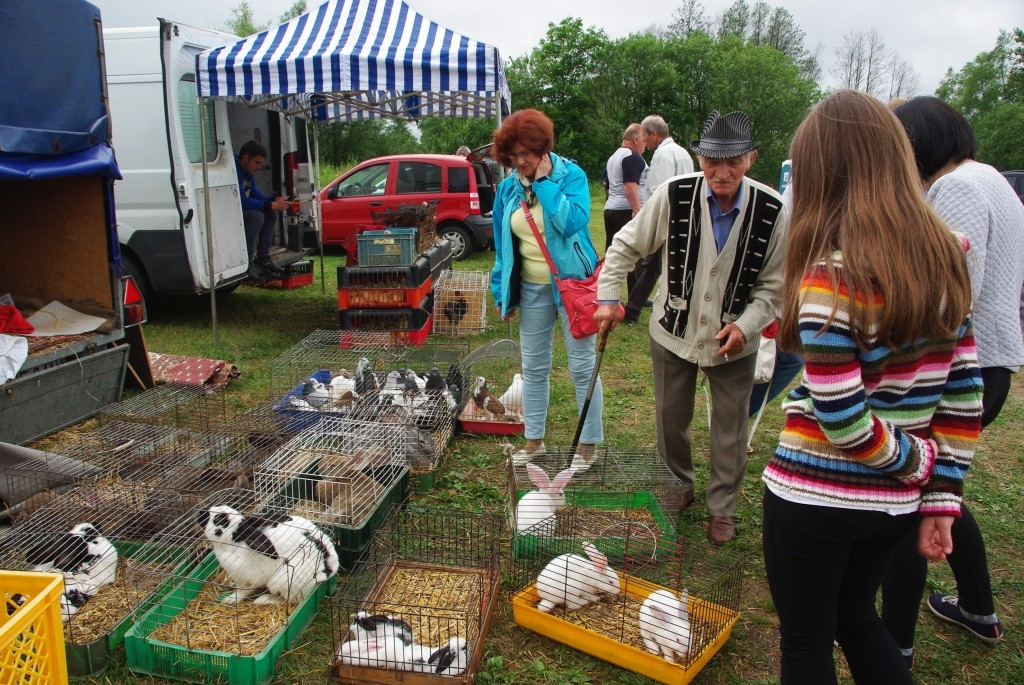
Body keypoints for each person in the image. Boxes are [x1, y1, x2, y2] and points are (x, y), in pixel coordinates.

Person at [760, 89, 982, 685]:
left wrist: (916, 465)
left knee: (806, 639)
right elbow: (965, 393)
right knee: (858, 618)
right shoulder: (946, 260)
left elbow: (841, 416)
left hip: (815, 495)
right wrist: (940, 494)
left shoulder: (831, 278)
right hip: (889, 510)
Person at [594, 110, 787, 545]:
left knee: (731, 428)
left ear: (751, 159)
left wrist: (747, 325)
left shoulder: (773, 209)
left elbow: (774, 288)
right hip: (672, 330)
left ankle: (722, 507)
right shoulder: (673, 195)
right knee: (669, 418)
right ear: (700, 158)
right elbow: (625, 244)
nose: (721, 172)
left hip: (734, 342)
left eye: (732, 161)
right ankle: (678, 486)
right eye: (712, 161)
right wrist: (608, 297)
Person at [880, 96, 1021, 665]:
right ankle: (978, 609)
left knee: (911, 499)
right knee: (942, 487)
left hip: (962, 368)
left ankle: (895, 647)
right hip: (988, 361)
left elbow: (948, 291)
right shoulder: (990, 180)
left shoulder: (955, 189)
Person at [489, 109, 604, 471]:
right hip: (532, 289)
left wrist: (544, 185)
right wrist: (500, 289)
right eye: (514, 156)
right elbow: (501, 243)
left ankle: (588, 447)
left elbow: (571, 222)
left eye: (527, 154)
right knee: (533, 368)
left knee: (583, 367)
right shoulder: (508, 188)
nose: (520, 162)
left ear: (543, 148)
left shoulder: (572, 176)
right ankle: (534, 441)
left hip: (572, 287)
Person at [623, 115, 695, 324]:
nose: (645, 142)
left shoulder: (663, 154)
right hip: (683, 218)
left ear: (654, 134)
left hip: (668, 218)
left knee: (652, 265)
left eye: (645, 137)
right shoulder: (683, 153)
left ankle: (633, 310)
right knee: (667, 265)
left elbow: (659, 191)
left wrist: (650, 220)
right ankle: (646, 308)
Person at [603, 123, 648, 296]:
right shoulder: (632, 156)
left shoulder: (614, 156)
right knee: (636, 253)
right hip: (626, 210)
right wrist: (637, 210)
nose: (644, 145)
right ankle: (637, 296)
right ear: (636, 139)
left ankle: (606, 291)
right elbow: (630, 184)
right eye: (643, 141)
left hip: (611, 208)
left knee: (612, 252)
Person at [236, 140, 290, 281]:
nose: (259, 167)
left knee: (270, 214)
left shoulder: (247, 172)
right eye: (257, 162)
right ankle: (246, 263)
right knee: (257, 216)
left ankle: (263, 257)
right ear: (245, 158)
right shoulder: (234, 171)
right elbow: (241, 201)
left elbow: (255, 194)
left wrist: (274, 200)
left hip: (239, 211)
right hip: (228, 212)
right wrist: (269, 204)